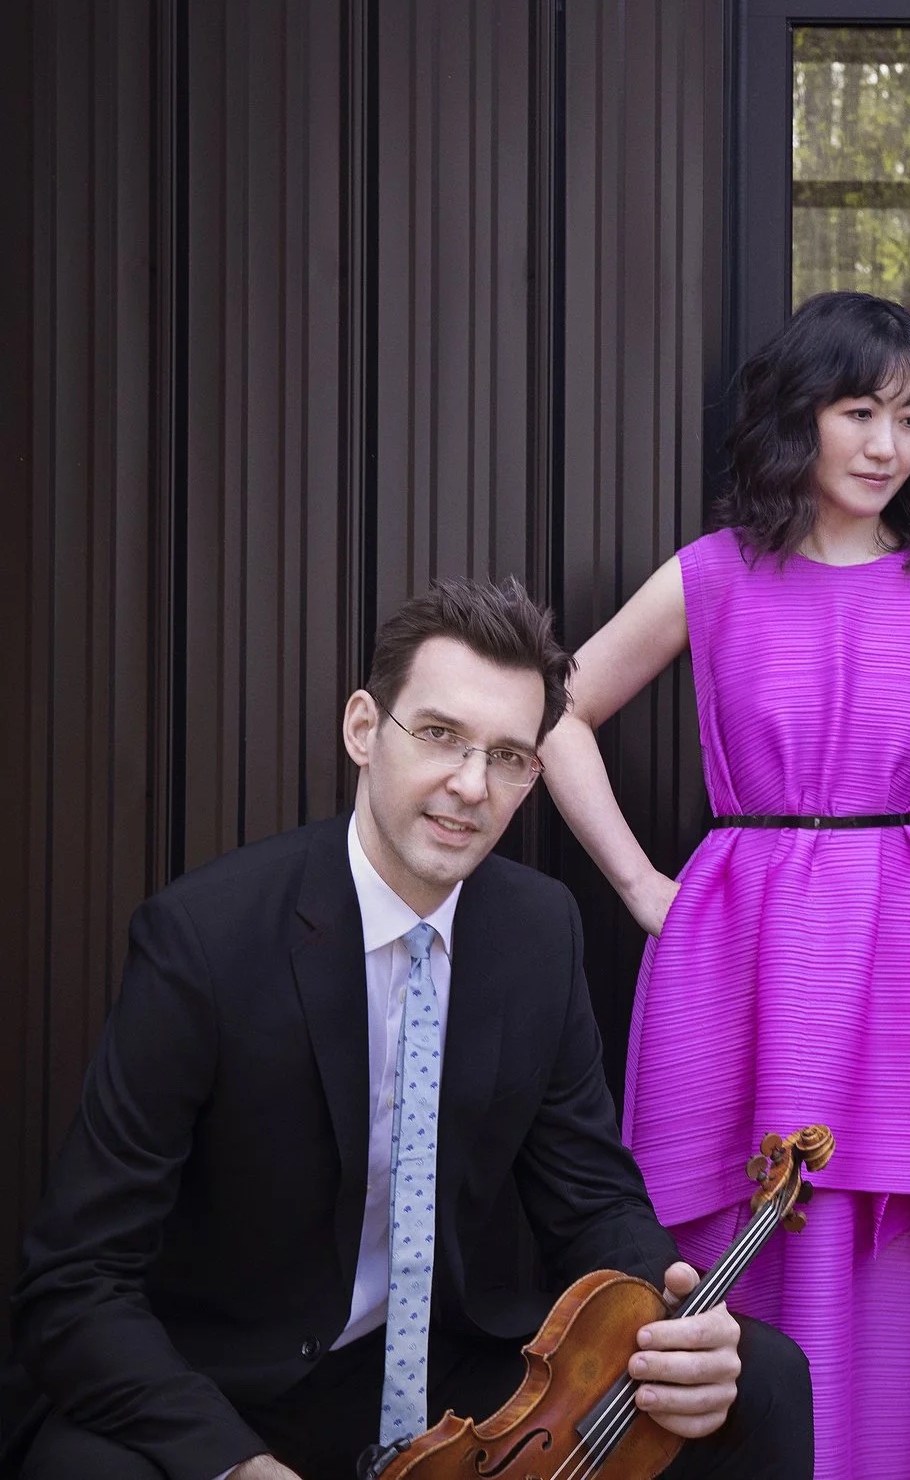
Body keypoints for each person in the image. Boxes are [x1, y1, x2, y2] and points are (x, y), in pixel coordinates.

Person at [9, 578, 812, 1480]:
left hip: (448, 1372)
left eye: (509, 756)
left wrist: (672, 1314)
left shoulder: (537, 930)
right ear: (364, 728)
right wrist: (236, 1465)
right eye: (439, 736)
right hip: (230, 1383)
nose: (471, 785)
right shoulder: (203, 940)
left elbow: (591, 1200)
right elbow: (74, 1283)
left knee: (762, 1379)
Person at [539, 291, 910, 1480]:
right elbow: (553, 711)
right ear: (794, 419)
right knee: (734, 1232)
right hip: (742, 942)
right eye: (857, 411)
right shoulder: (713, 575)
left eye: (909, 418)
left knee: (904, 1241)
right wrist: (643, 885)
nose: (884, 446)